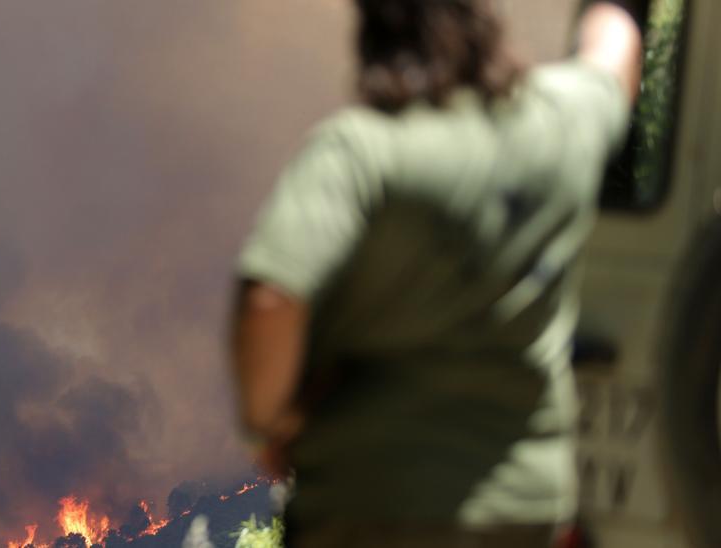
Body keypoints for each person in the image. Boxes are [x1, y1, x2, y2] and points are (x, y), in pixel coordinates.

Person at [229, 0, 644, 546]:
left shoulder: (361, 150)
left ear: (374, 38)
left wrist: (269, 422)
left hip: (374, 508)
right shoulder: (557, 126)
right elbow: (613, 49)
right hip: (522, 510)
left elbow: (270, 299)